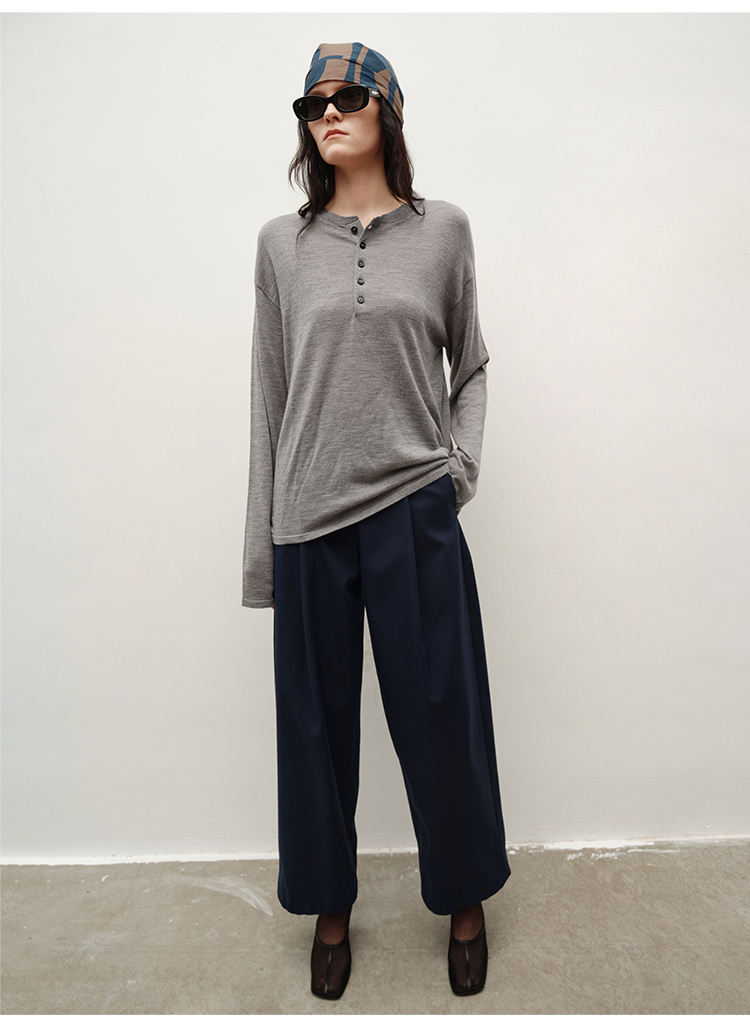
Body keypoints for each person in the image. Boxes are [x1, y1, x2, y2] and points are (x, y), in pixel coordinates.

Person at [243, 42, 511, 1000]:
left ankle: (465, 896)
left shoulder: (444, 233)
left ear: (387, 110)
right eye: (311, 103)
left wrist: (457, 468)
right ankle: (329, 907)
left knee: (442, 712)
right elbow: (269, 396)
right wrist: (263, 550)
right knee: (315, 730)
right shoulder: (282, 245)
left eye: (347, 96)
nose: (327, 113)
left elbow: (471, 365)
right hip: (310, 517)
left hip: (412, 507)